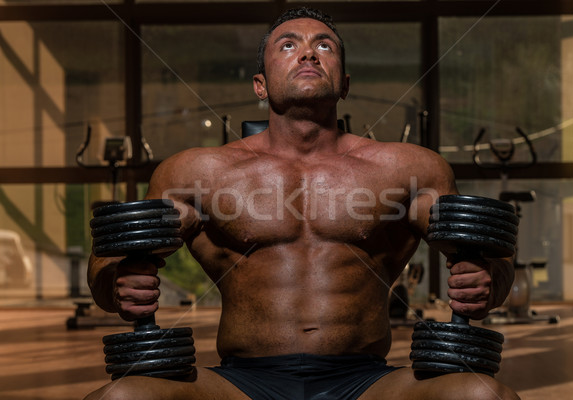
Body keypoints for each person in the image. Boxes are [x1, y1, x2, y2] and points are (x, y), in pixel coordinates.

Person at [84, 7, 519, 400]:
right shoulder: (197, 173)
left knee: (484, 396)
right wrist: (118, 282)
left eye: (324, 46)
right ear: (260, 84)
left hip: (367, 381)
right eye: (288, 45)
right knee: (119, 398)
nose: (308, 54)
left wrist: (487, 280)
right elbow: (109, 263)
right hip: (240, 382)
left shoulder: (409, 169)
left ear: (344, 84)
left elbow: (486, 255)